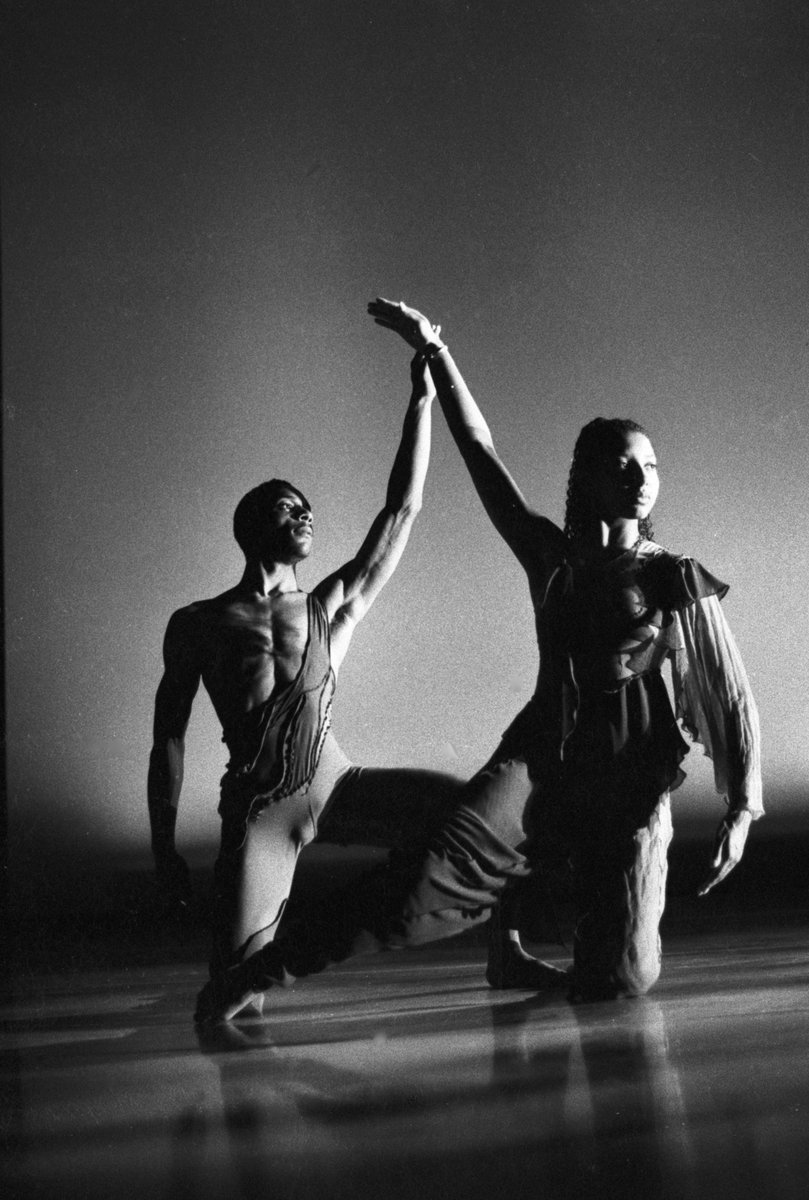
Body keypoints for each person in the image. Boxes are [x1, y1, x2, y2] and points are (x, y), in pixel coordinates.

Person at [195, 298, 762, 1021]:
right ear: (585, 474)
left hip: (629, 779)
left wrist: (742, 807)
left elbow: (729, 692)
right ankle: (265, 971)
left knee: (622, 982)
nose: (639, 476)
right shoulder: (548, 558)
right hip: (543, 760)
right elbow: (480, 450)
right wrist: (433, 350)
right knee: (422, 883)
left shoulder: (674, 575)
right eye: (621, 463)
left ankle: (536, 952)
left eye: (649, 465)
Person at [149, 350, 466, 1002]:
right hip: (260, 814)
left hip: (339, 785)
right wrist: (164, 846)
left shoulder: (330, 607)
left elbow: (400, 511)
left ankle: (506, 952)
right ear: (250, 526)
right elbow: (169, 739)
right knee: (232, 994)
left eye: (308, 510)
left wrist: (422, 399)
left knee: (477, 817)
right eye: (288, 508)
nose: (305, 516)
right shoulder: (197, 623)